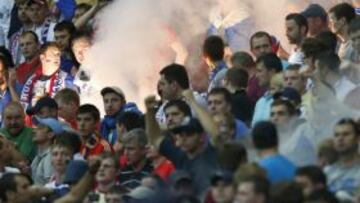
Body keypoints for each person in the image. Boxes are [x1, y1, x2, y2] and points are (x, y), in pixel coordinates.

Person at [146, 96, 219, 197]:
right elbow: (155, 138)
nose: (184, 138)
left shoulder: (211, 153)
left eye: (189, 134)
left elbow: (216, 134)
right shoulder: (180, 156)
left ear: (201, 137)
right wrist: (150, 111)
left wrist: (192, 101)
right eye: (180, 134)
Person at [19, 42, 75, 111]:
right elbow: (23, 107)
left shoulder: (68, 80)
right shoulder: (31, 80)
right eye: (52, 54)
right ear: (42, 58)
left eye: (58, 54)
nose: (57, 57)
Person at [325, 118, 360, 199]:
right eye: (336, 135)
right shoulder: (327, 171)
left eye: (346, 134)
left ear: (358, 138)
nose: (340, 138)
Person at [31, 116, 67, 185]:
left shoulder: (51, 156)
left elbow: (51, 185)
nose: (34, 131)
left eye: (40, 128)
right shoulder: (39, 156)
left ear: (50, 135)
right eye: (35, 128)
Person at [251, 53, 282, 126]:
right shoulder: (260, 102)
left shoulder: (285, 99)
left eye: (259, 71)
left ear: (272, 72)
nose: (256, 76)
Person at [8, 0, 34, 65]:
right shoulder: (14, 37)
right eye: (20, 9)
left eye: (26, 9)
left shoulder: (40, 32)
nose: (23, 12)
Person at [0, 55, 21, 125]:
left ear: (8, 71)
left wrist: (11, 87)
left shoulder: (18, 88)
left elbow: (20, 111)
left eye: (1, 71)